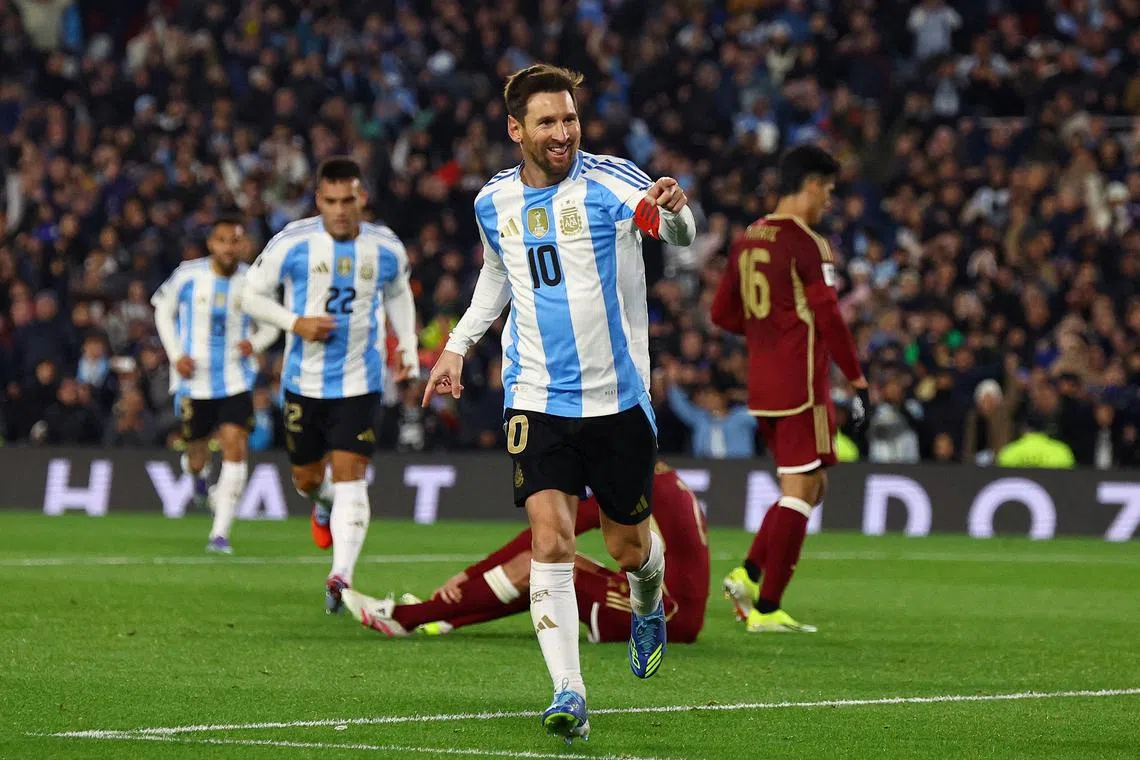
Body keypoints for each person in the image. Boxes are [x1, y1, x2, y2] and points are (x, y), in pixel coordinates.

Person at [419, 64, 696, 743]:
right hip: (536, 397)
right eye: (547, 122)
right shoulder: (493, 203)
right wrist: (457, 345)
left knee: (629, 549)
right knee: (552, 538)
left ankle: (648, 599)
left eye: (569, 119)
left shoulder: (611, 180)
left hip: (618, 400)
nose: (563, 132)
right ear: (517, 130)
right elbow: (496, 274)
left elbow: (677, 240)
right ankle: (568, 690)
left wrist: (679, 210)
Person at [241, 158, 419, 611]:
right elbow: (251, 295)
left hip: (361, 381)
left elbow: (398, 292)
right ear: (319, 200)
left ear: (361, 198)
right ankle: (321, 505)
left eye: (349, 200)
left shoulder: (385, 248)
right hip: (303, 383)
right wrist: (294, 322)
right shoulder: (293, 242)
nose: (341, 210)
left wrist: (408, 345)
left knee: (352, 478)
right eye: (331, 201)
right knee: (306, 480)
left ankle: (340, 575)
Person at [710, 145, 870, 634]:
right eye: (827, 190)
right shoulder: (807, 243)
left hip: (762, 383)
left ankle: (749, 573)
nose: (828, 201)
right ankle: (766, 608)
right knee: (801, 491)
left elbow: (721, 313)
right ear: (811, 185)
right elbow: (829, 315)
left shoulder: (746, 239)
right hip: (801, 383)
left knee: (811, 485)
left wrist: (765, 334)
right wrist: (858, 377)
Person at [342, 461, 709, 645]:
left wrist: (470, 574)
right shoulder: (666, 479)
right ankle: (449, 616)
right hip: (676, 611)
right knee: (553, 573)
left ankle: (408, 616)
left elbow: (540, 538)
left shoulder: (625, 481)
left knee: (541, 564)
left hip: (662, 616)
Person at [151, 213, 281, 554]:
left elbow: (274, 323)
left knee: (235, 445)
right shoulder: (188, 274)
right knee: (196, 455)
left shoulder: (252, 281)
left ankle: (220, 533)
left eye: (235, 240)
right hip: (194, 381)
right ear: (211, 243)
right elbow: (162, 310)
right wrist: (175, 353)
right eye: (222, 240)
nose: (228, 247)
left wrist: (256, 343)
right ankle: (196, 478)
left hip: (235, 379)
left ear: (243, 244)